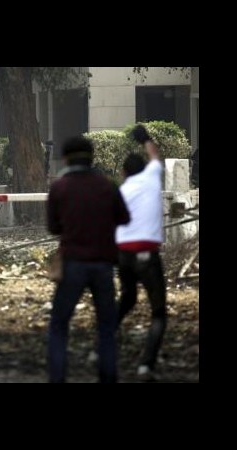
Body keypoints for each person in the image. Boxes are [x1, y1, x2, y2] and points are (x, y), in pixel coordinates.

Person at [46, 136, 130, 383]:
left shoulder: (60, 187)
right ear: (92, 157)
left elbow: (53, 227)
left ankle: (58, 377)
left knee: (59, 324)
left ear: (65, 158)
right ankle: (108, 376)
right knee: (106, 326)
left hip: (72, 263)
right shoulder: (107, 185)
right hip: (103, 264)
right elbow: (124, 218)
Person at [115, 124, 167, 381]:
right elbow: (156, 156)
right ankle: (146, 365)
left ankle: (101, 344)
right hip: (147, 253)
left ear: (124, 172)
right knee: (158, 313)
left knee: (128, 299)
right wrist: (145, 138)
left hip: (123, 254)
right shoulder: (152, 176)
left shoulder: (121, 191)